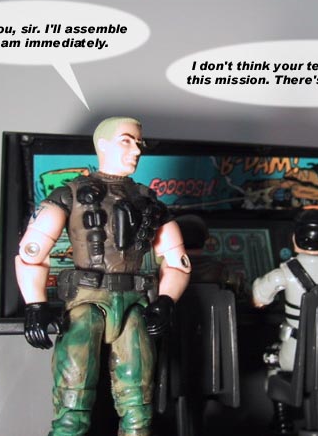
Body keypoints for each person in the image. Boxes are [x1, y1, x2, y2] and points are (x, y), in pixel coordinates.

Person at [15, 117, 191, 436]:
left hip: (134, 306)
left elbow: (176, 263)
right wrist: (35, 305)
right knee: (72, 403)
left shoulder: (149, 202)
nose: (136, 150)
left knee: (138, 409)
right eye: (127, 141)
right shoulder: (70, 194)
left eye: (139, 143)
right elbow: (31, 253)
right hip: (86, 303)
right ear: (103, 145)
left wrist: (167, 299)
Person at [252, 210, 318, 435]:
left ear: (295, 238)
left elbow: (258, 298)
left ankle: (283, 422)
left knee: (272, 362)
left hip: (296, 354)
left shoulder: (285, 273)